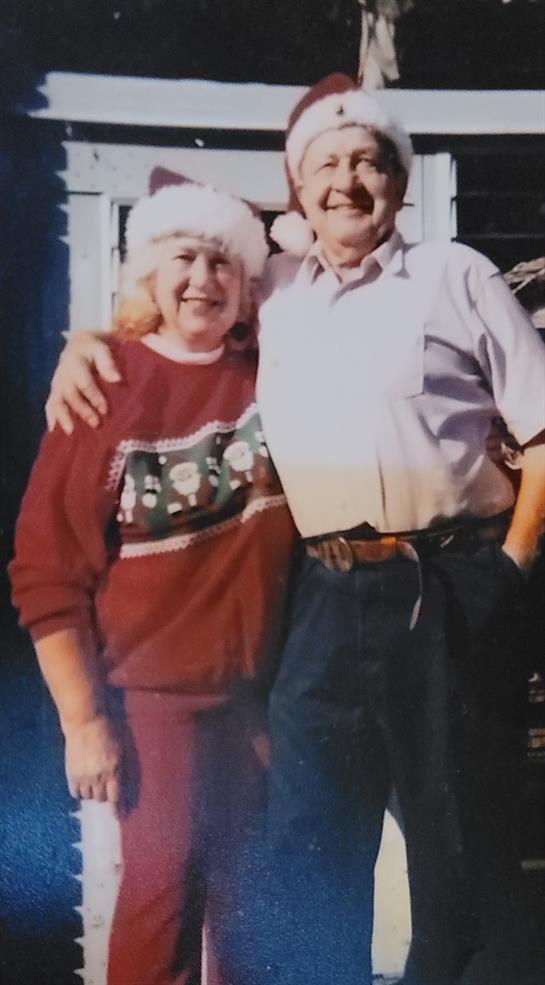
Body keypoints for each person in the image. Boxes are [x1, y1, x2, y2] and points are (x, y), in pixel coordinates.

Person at [44, 74, 545, 985]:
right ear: (298, 190)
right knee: (312, 853)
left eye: (368, 162)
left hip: (444, 583)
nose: (347, 181)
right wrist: (88, 344)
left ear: (397, 179)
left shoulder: (455, 274)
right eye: (326, 165)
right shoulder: (272, 292)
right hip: (319, 599)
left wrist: (508, 566)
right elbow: (178, 307)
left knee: (459, 854)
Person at [10, 173, 295, 985]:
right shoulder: (104, 388)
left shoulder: (273, 371)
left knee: (253, 911)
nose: (202, 278)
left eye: (222, 261)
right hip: (154, 706)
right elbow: (47, 573)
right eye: (184, 257)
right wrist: (82, 721)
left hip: (266, 697)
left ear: (247, 284)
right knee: (159, 902)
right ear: (147, 273)